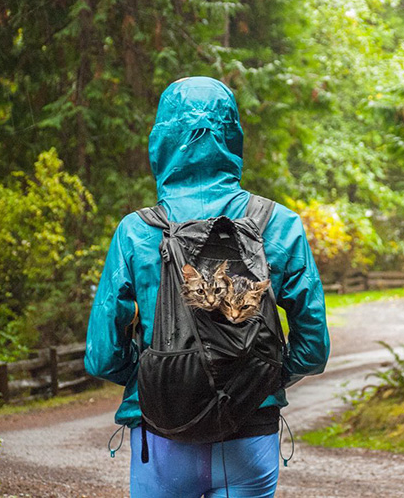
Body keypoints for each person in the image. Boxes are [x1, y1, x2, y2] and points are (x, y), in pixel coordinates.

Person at [85, 76, 330, 497]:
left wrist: (156, 373)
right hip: (250, 429)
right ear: (233, 137)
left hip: (161, 428)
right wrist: (260, 377)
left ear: (161, 140)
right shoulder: (279, 224)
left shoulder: (136, 232)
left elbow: (103, 356)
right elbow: (313, 350)